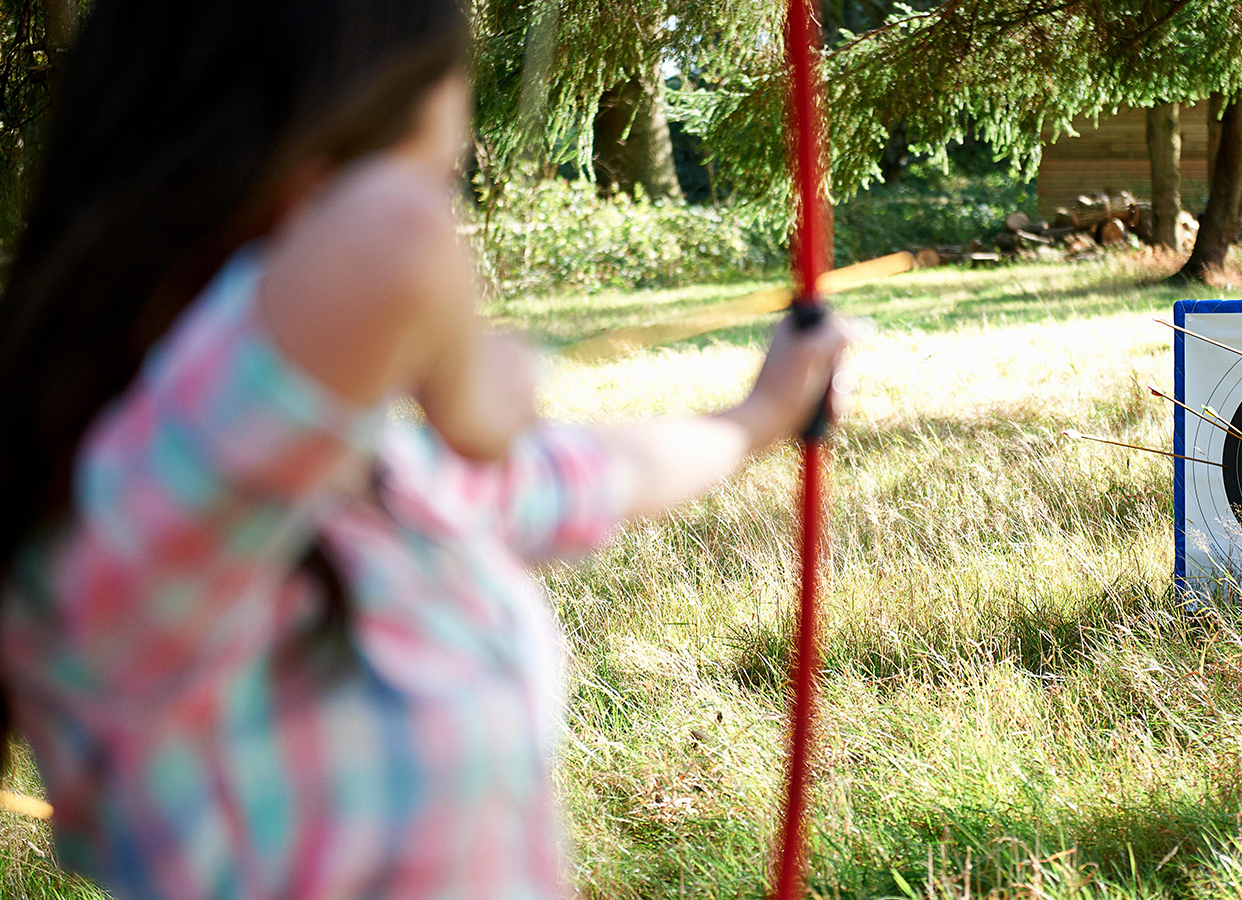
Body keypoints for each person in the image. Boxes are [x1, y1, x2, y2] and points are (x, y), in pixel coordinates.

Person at [0, 2, 848, 898]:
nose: (447, 199)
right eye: (439, 168)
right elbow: (392, 237)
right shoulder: (134, 522)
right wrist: (476, 401)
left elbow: (595, 475)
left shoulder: (360, 488)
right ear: (296, 174)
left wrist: (759, 416)